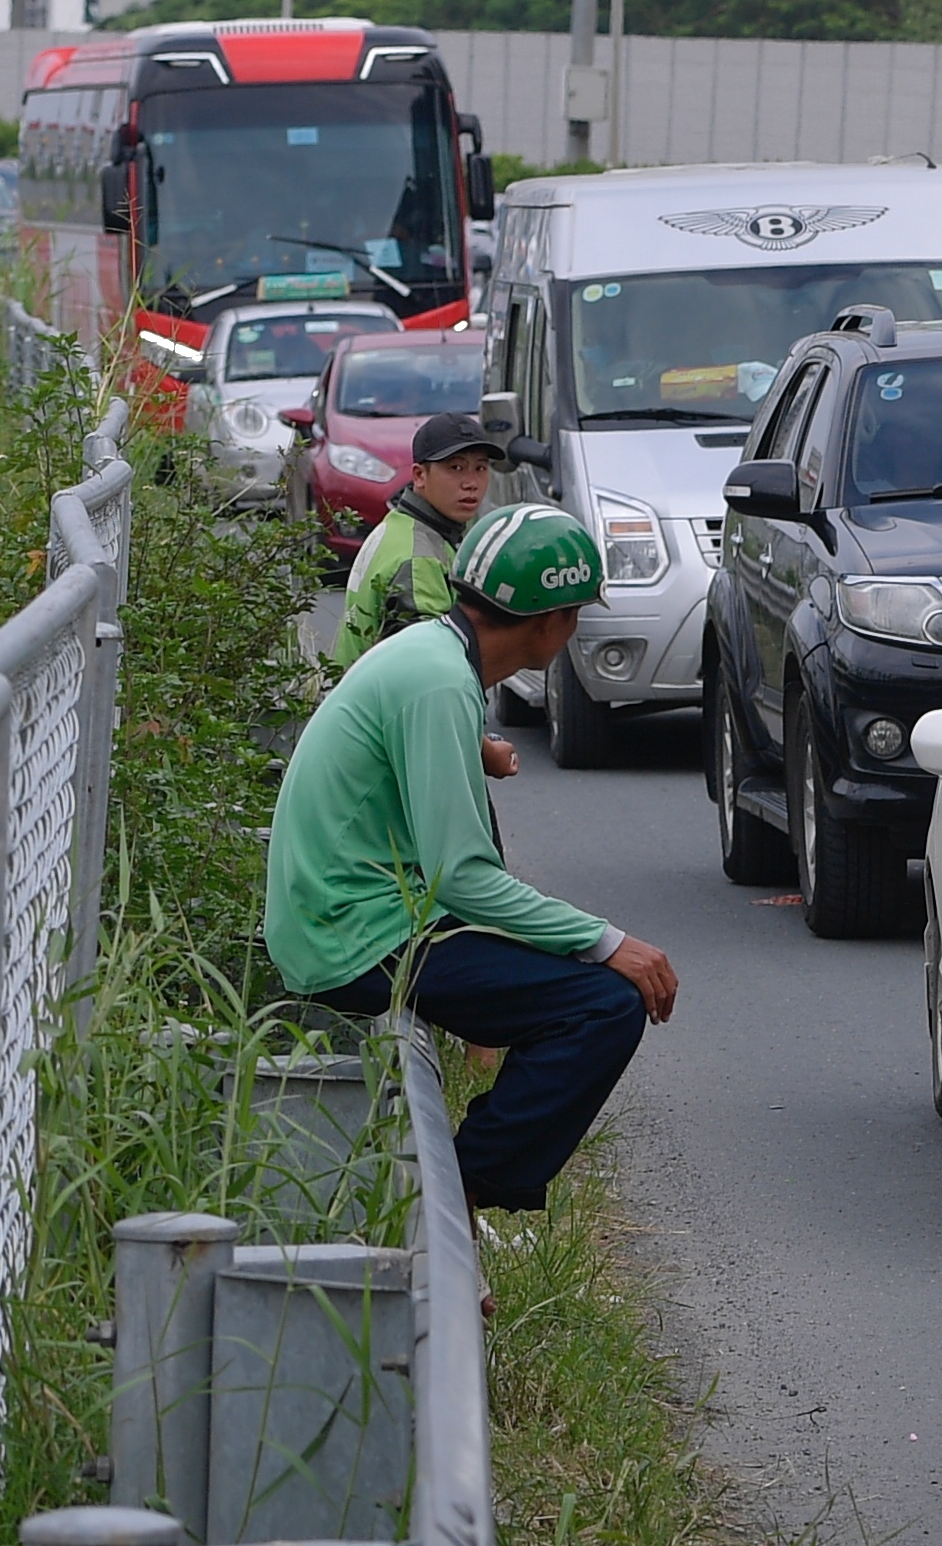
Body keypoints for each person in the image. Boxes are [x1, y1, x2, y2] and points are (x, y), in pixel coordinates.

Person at [263, 501, 677, 1210]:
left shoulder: (434, 654)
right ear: (552, 623)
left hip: (350, 915)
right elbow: (464, 877)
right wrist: (609, 942)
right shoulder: (439, 682)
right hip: (353, 935)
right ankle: (460, 1193)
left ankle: (460, 1191)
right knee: (604, 1004)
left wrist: (468, 747)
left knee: (580, 986)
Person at [337, 406, 522, 778]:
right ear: (419, 475)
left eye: (480, 468)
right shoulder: (418, 557)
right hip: (379, 751)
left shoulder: (406, 526)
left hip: (360, 728)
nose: (470, 482)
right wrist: (485, 751)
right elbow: (426, 684)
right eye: (455, 468)